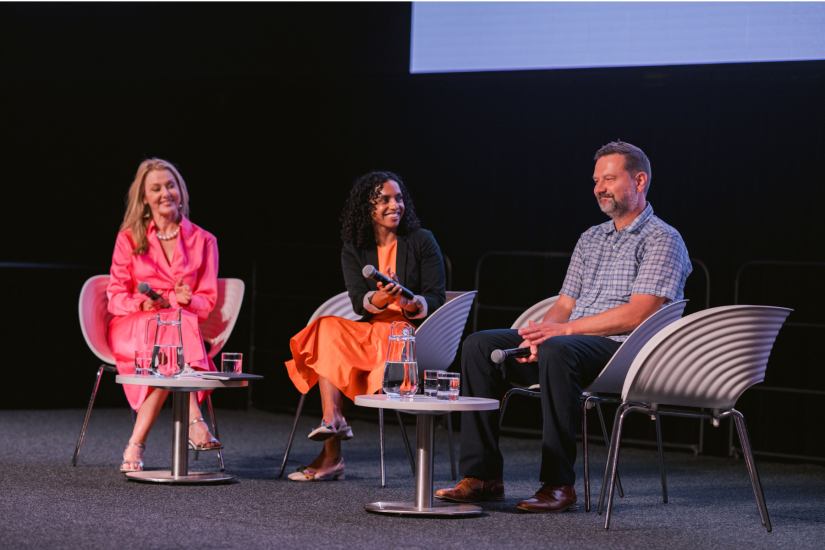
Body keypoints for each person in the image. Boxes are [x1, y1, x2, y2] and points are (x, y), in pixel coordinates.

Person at [436, 141, 692, 512]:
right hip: (570, 345)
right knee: (478, 346)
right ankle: (483, 476)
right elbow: (564, 306)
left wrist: (561, 334)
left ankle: (558, 484)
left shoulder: (663, 239)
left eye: (608, 179)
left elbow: (639, 314)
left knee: (559, 349)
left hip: (625, 350)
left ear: (639, 180)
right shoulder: (590, 238)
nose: (599, 188)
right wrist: (538, 335)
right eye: (595, 181)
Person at [285, 170, 447, 481]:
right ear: (366, 207)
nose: (394, 205)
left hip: (407, 335)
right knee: (325, 330)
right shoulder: (354, 247)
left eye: (398, 198)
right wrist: (383, 298)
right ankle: (333, 418)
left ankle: (332, 455)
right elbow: (359, 301)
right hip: (373, 327)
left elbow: (437, 297)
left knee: (335, 353)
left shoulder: (422, 240)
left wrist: (411, 303)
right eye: (384, 199)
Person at [108, 158, 222, 472]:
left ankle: (135, 446)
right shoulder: (129, 239)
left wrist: (187, 300)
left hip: (178, 330)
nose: (164, 193)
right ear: (144, 198)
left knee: (171, 342)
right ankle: (195, 422)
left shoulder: (204, 241)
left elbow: (208, 300)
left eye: (170, 185)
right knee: (172, 334)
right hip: (131, 327)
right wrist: (140, 304)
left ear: (180, 191)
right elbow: (114, 297)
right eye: (156, 188)